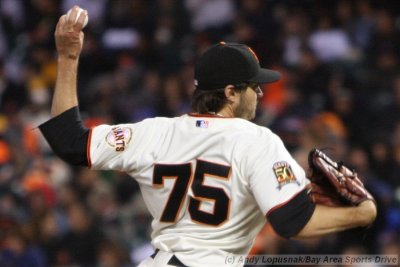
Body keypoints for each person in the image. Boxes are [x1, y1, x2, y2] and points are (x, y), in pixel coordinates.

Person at [39, 7, 377, 267]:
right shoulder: (257, 141)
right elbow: (293, 222)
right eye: (252, 86)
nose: (259, 92)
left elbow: (69, 141)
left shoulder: (155, 131)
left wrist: (68, 59)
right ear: (231, 92)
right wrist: (362, 214)